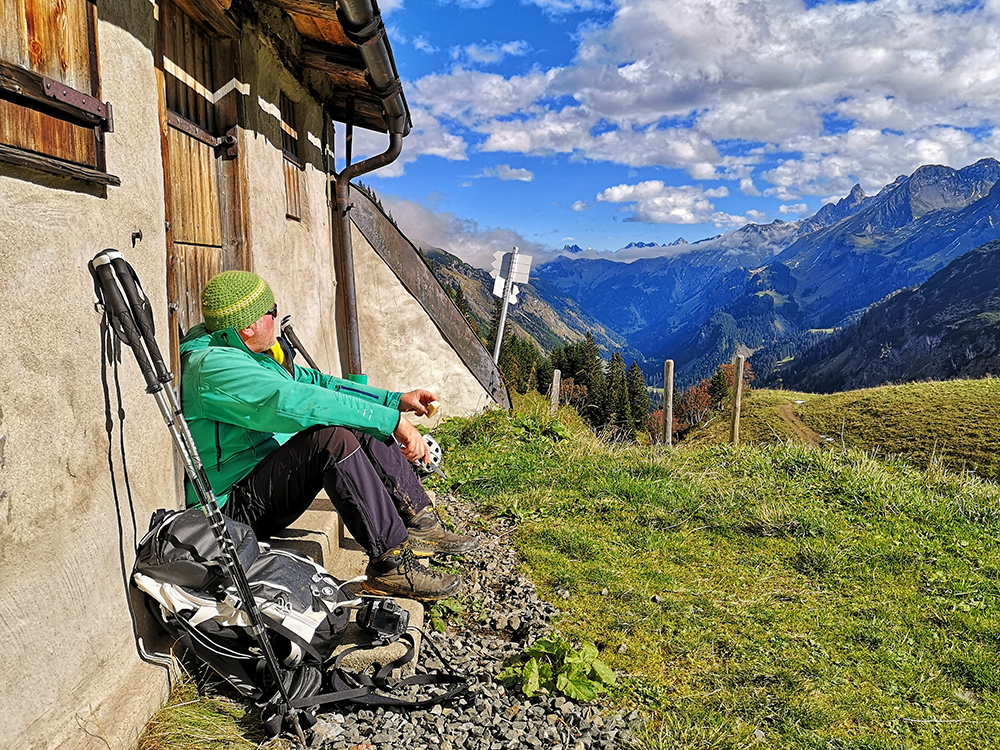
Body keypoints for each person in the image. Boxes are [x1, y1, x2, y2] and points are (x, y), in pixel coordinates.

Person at [179, 270, 478, 601]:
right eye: (272, 311)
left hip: (261, 483)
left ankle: (419, 521)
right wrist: (393, 422)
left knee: (352, 419)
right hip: (230, 512)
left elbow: (319, 385)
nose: (276, 318)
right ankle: (391, 567)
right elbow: (296, 400)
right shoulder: (214, 368)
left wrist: (393, 402)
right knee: (333, 438)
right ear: (248, 325)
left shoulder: (245, 353)